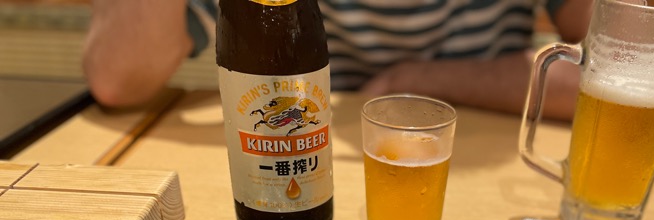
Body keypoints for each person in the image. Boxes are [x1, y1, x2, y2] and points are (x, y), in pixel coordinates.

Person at [82, 0, 592, 119]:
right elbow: (117, 76)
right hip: (310, 151)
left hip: (494, 162)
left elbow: (616, 70)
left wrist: (411, 79)